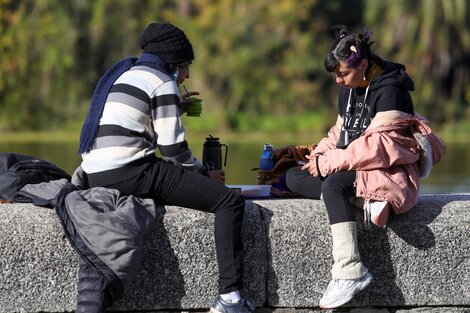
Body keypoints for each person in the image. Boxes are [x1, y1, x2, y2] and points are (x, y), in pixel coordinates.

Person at [76, 22, 254, 313]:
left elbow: (135, 120)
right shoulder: (161, 80)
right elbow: (173, 150)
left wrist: (175, 108)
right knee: (229, 201)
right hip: (130, 170)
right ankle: (230, 298)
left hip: (95, 172)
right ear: (174, 62)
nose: (187, 75)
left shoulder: (128, 74)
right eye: (186, 66)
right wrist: (202, 175)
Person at [285, 25, 445, 309]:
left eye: (343, 73)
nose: (338, 80)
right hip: (353, 168)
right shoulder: (348, 88)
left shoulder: (391, 90)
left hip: (388, 173)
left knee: (333, 185)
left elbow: (379, 148)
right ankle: (362, 201)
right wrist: (318, 157)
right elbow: (339, 133)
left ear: (363, 64)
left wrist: (329, 164)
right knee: (293, 177)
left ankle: (349, 270)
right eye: (335, 75)